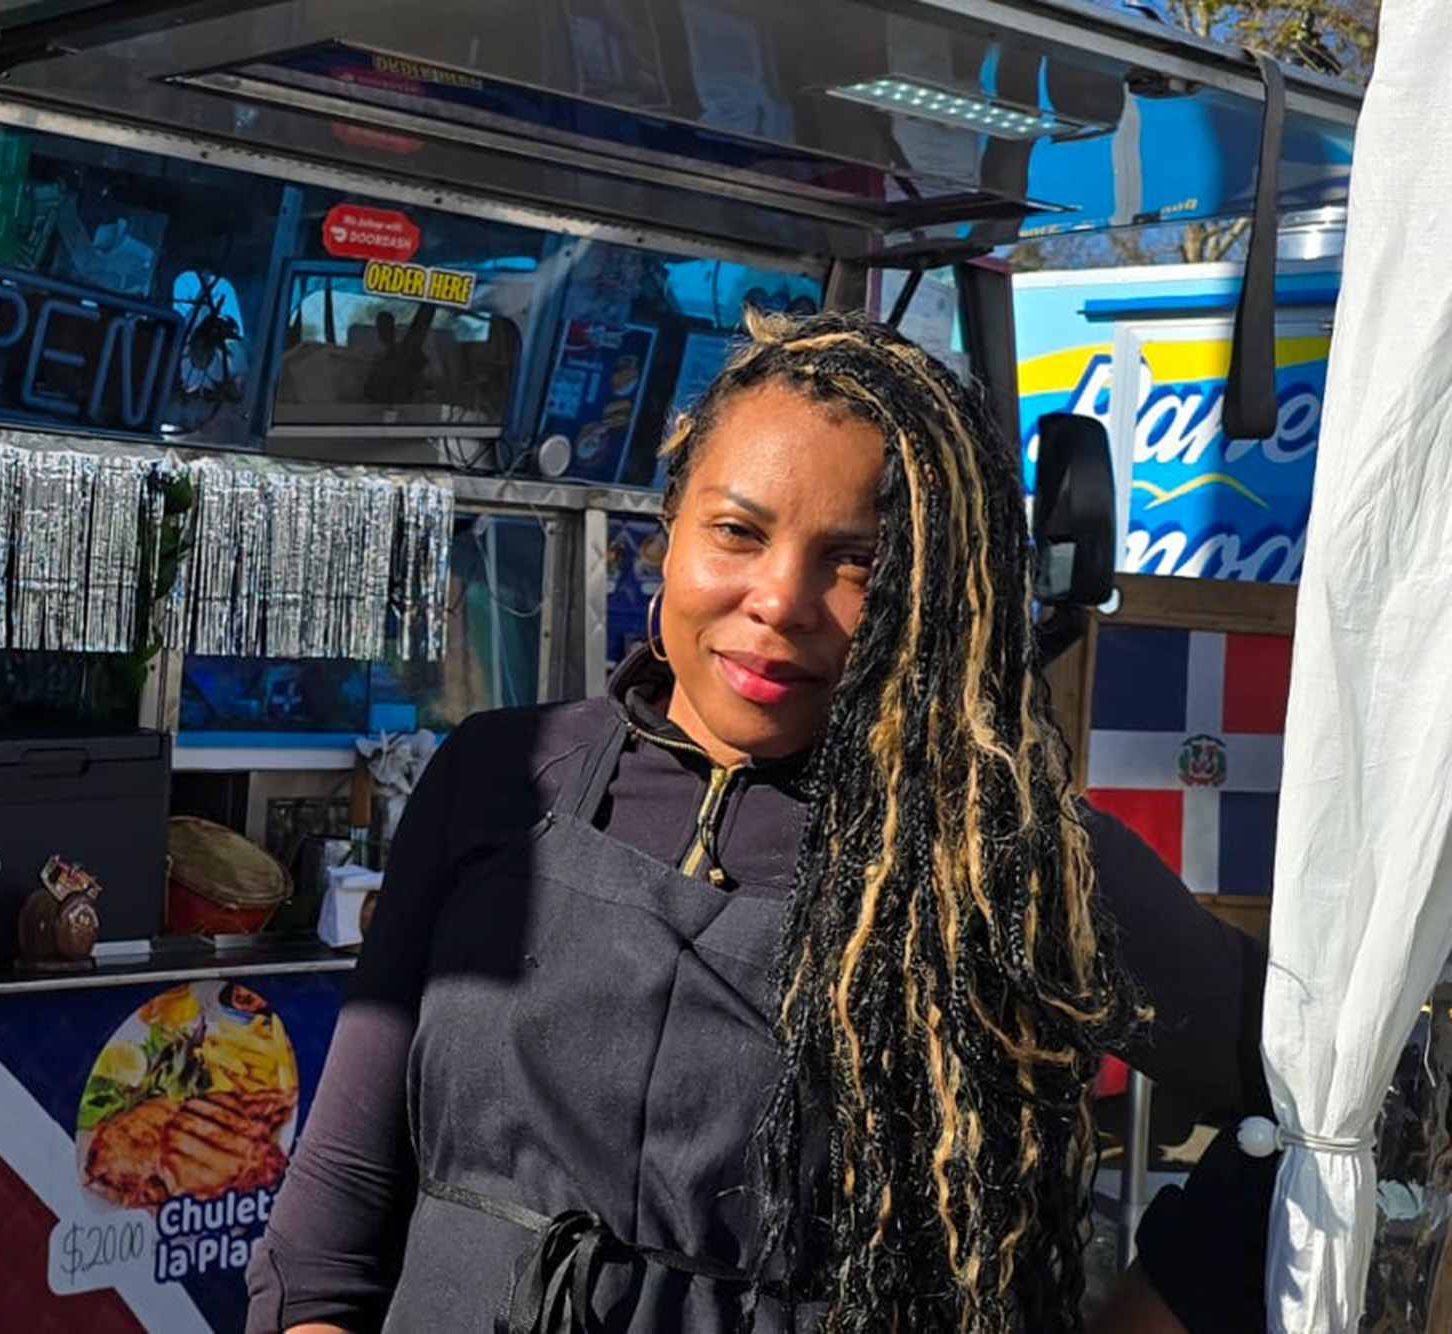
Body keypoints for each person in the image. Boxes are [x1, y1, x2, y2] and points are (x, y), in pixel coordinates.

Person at [247, 310, 1271, 1332]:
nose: (780, 598)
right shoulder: (500, 774)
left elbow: (1324, 1104)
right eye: (736, 530)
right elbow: (331, 1219)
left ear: (934, 593)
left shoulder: (1008, 859)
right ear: (666, 533)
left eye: (858, 561)